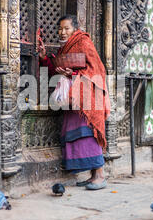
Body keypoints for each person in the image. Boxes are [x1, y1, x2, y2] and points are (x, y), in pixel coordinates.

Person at [38, 15, 111, 190]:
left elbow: (97, 70)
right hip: (72, 99)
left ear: (75, 29)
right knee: (78, 134)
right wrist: (43, 58)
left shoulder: (84, 42)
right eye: (60, 29)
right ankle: (92, 175)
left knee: (90, 132)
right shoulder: (65, 48)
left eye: (67, 28)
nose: (62, 32)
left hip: (87, 98)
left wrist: (73, 74)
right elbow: (55, 70)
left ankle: (100, 175)